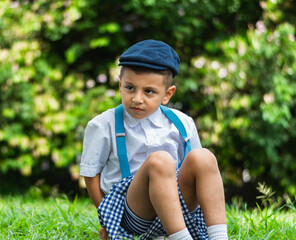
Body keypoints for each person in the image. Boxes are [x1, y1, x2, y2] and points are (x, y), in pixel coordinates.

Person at [80, 39, 228, 240]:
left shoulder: (183, 123)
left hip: (178, 207)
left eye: (149, 91)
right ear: (120, 85)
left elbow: (198, 175)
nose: (137, 98)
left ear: (167, 94)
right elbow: (91, 175)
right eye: (130, 88)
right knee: (161, 161)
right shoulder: (103, 125)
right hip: (134, 213)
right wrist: (107, 222)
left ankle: (219, 237)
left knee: (204, 157)